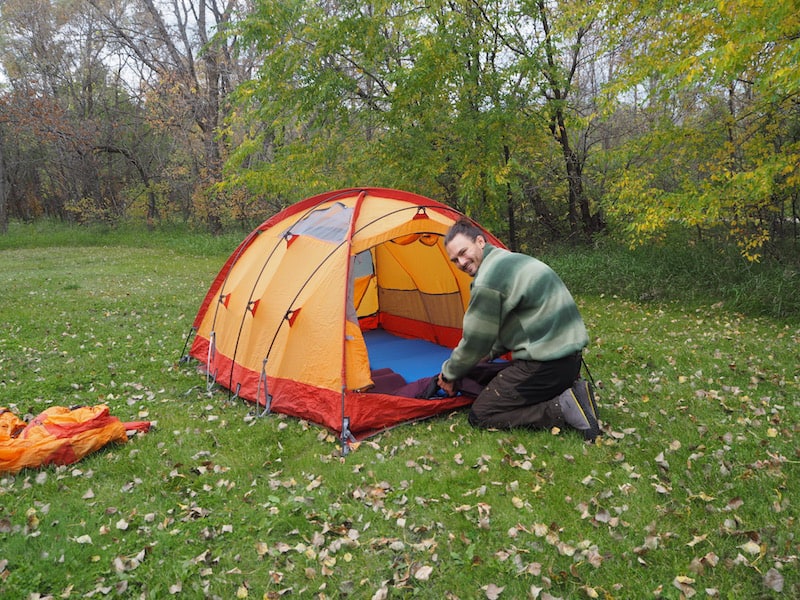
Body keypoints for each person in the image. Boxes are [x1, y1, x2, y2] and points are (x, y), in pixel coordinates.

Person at [436, 219, 600, 442]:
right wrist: (490, 353)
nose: (462, 262)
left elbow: (474, 342)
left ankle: (562, 406)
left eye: (464, 252)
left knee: (481, 414)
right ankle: (574, 392)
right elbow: (516, 326)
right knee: (491, 375)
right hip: (571, 361)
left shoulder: (488, 279)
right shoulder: (508, 260)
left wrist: (449, 373)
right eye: (455, 260)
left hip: (546, 366)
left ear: (480, 241)